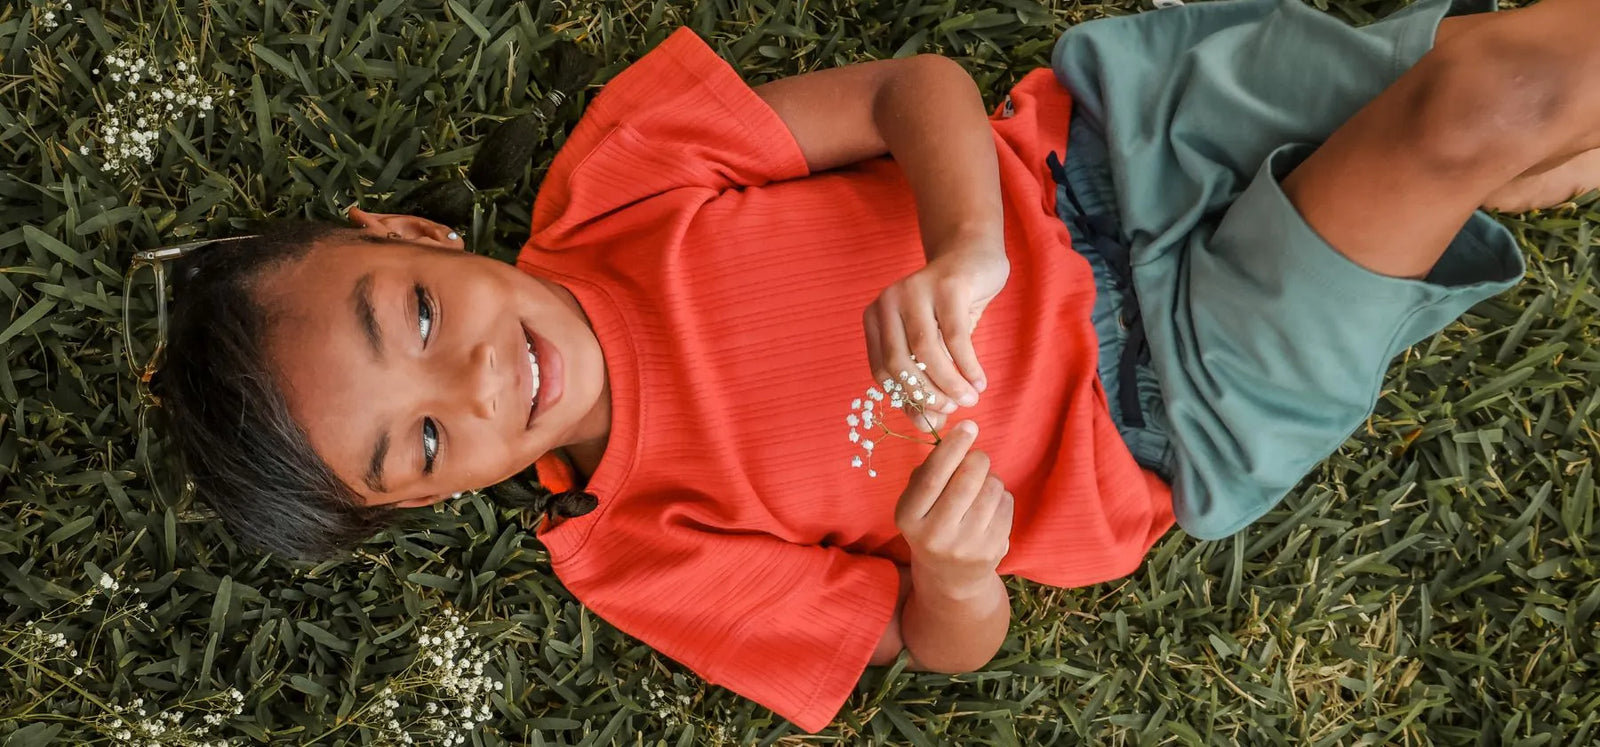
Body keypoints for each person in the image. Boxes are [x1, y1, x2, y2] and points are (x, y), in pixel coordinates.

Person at [140, 0, 1599, 732]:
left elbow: (918, 93)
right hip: (1173, 405)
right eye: (422, 446)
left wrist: (968, 249)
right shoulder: (635, 553)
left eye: (409, 317)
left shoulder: (620, 176)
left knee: (1494, 103)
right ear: (430, 502)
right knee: (1478, 106)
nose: (471, 386)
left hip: (1112, 150)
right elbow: (933, 645)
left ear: (407, 231)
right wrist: (954, 571)